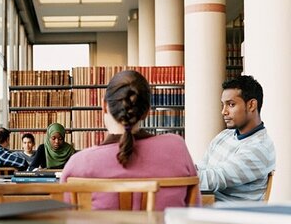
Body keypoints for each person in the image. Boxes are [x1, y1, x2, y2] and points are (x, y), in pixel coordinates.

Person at [61, 70, 198, 211]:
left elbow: (65, 222)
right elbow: (194, 212)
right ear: (147, 111)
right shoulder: (177, 148)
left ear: (104, 106)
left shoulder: (78, 164)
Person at [197, 75, 275, 201]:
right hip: (207, 207)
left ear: (251, 105)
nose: (224, 111)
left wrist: (178, 173)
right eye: (223, 105)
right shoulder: (224, 136)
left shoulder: (259, 148)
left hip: (230, 216)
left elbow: (215, 179)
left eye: (231, 105)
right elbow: (202, 168)